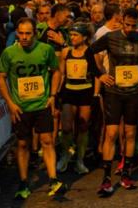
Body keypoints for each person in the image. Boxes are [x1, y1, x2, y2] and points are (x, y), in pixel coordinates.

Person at [92, 8, 138, 196]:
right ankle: (106, 178)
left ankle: (126, 175)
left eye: (134, 26)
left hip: (134, 92)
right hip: (114, 92)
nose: (130, 29)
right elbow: (88, 52)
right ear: (122, 21)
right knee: (111, 133)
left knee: (131, 132)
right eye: (127, 25)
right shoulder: (111, 37)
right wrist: (100, 75)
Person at [0, 18, 66, 199]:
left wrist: (52, 95)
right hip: (21, 107)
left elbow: (56, 71)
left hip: (42, 104)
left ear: (35, 33)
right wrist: (10, 103)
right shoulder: (9, 53)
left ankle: (53, 179)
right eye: (21, 33)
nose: (24, 37)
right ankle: (23, 182)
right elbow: (1, 78)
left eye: (28, 33)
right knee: (22, 144)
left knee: (47, 141)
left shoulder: (46, 50)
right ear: (17, 33)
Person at [56, 23, 101, 175]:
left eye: (75, 35)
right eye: (71, 35)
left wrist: (96, 94)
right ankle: (65, 155)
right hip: (69, 92)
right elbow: (61, 74)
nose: (72, 38)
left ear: (85, 37)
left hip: (86, 92)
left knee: (83, 127)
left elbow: (97, 74)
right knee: (67, 127)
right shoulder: (65, 52)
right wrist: (56, 93)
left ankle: (80, 160)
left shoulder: (92, 52)